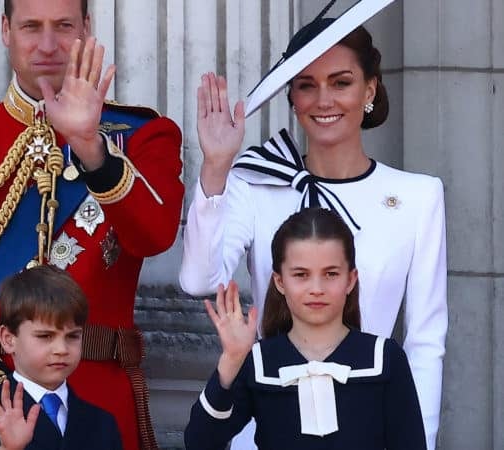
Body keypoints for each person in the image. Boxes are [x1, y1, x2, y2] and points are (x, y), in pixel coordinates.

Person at [0, 1, 183, 449]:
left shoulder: (142, 136)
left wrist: (92, 150)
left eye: (64, 26)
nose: (48, 45)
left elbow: (155, 233)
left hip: (95, 406)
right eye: (32, 26)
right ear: (6, 29)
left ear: (86, 28)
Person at [178, 11, 446, 450]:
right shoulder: (254, 184)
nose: (324, 100)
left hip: (368, 429)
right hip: (265, 426)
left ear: (370, 90)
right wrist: (215, 168)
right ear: (292, 96)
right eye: (306, 85)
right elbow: (198, 281)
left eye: (341, 82)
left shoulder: (418, 197)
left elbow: (425, 344)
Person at [184, 208, 426, 450]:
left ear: (351, 279)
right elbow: (200, 443)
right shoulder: (258, 361)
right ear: (280, 281)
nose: (316, 288)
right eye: (301, 275)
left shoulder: (385, 358)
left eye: (331, 274)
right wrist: (231, 361)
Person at [0, 265, 122, 450]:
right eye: (45, 336)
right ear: (8, 339)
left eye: (72, 336)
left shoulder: (102, 423)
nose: (61, 349)